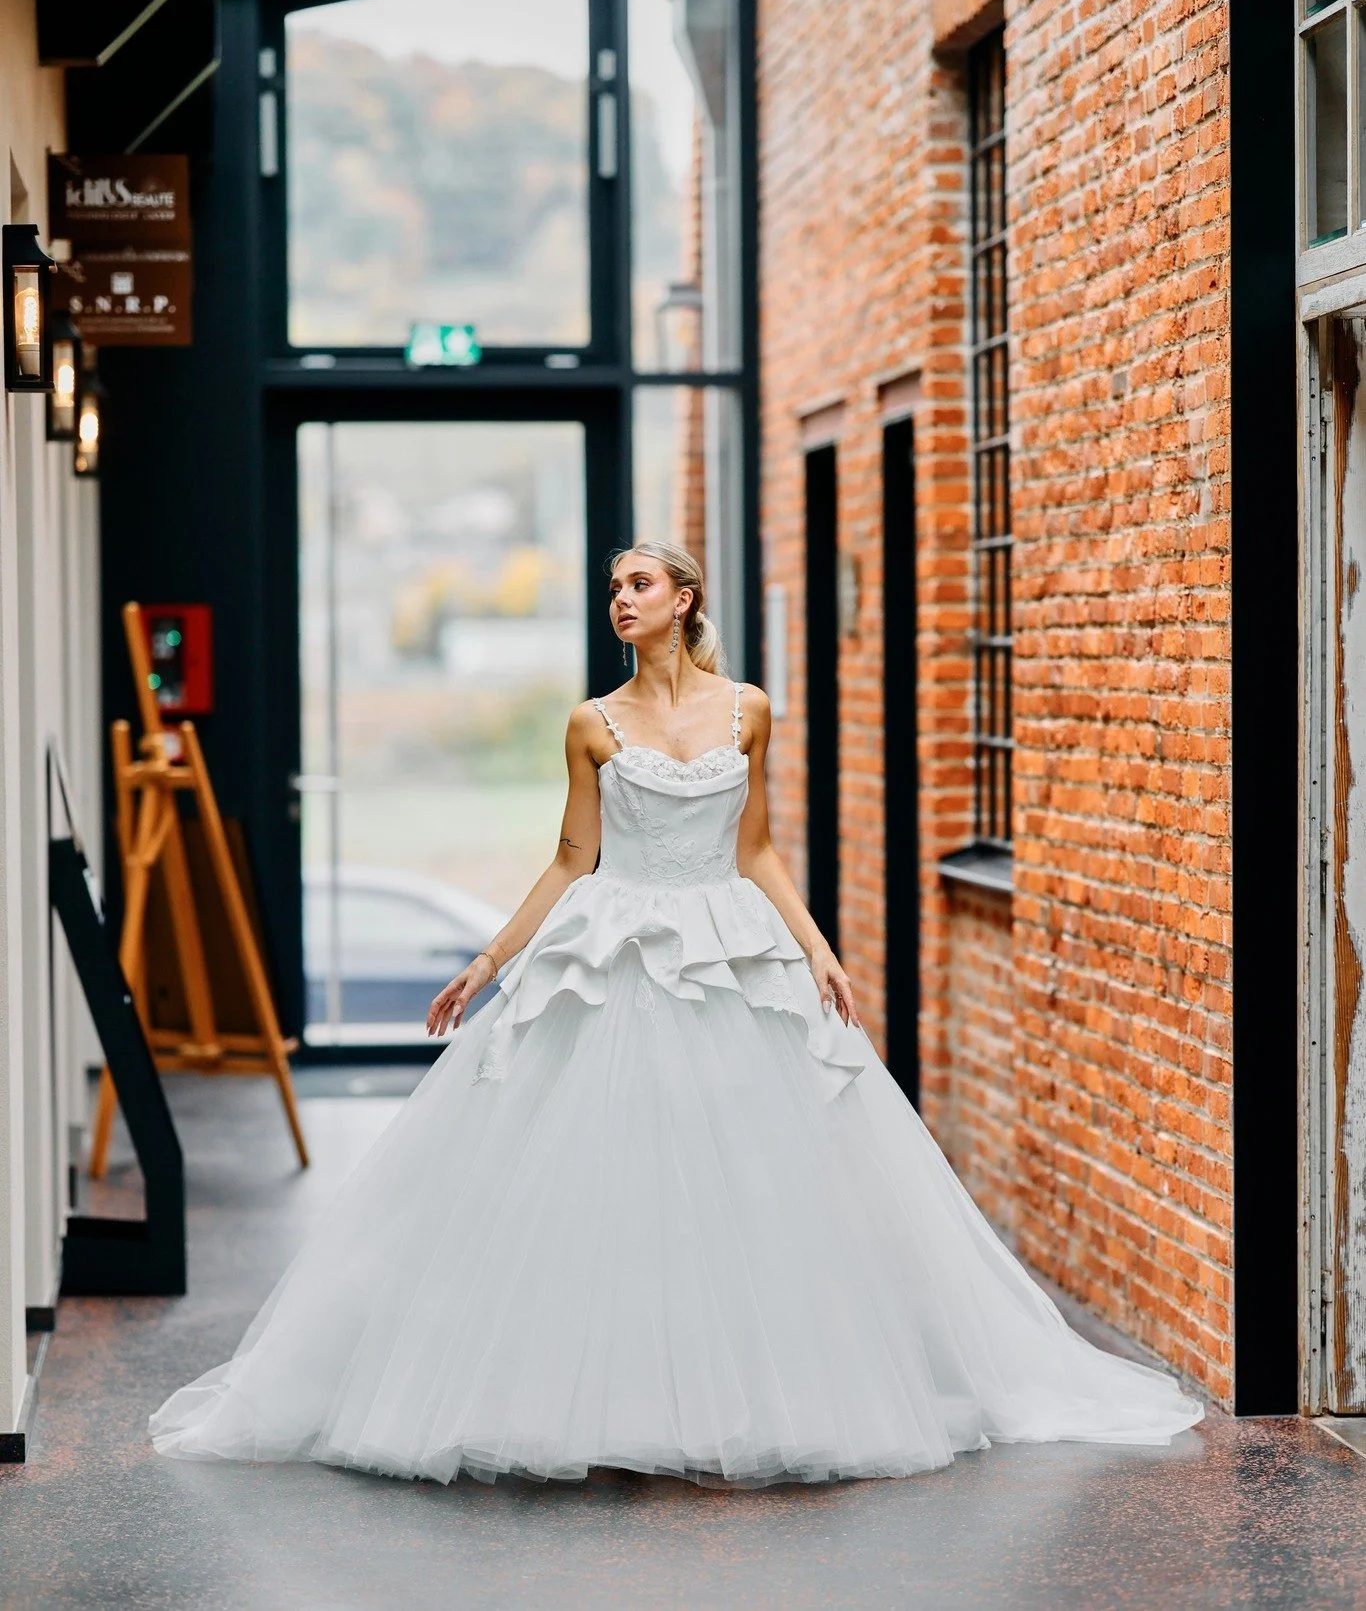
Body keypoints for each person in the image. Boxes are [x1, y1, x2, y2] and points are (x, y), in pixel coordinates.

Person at [149, 540, 1202, 1485]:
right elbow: (573, 856)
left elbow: (756, 848)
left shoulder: (748, 709)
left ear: (684, 600)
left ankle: (754, 1393)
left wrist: (819, 952)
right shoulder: (589, 723)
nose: (620, 599)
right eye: (612, 587)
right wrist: (487, 962)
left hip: (727, 941)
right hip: (614, 941)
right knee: (598, 1179)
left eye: (638, 584)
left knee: (750, 1179)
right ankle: (587, 1396)